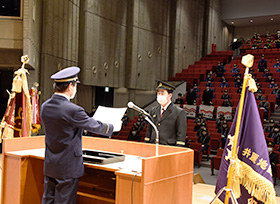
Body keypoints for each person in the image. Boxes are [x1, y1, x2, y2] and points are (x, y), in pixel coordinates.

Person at [41, 67, 114, 204]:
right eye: (75, 85)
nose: (75, 89)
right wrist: (112, 127)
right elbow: (94, 125)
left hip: (51, 164)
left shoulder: (45, 106)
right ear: (70, 86)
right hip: (67, 167)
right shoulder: (73, 110)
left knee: (48, 200)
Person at [145, 81, 186, 146]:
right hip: (153, 145)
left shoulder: (179, 112)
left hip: (168, 147)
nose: (159, 95)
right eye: (158, 93)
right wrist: (147, 142)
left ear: (170, 95)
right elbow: (149, 130)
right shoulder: (153, 110)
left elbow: (181, 134)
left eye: (162, 93)